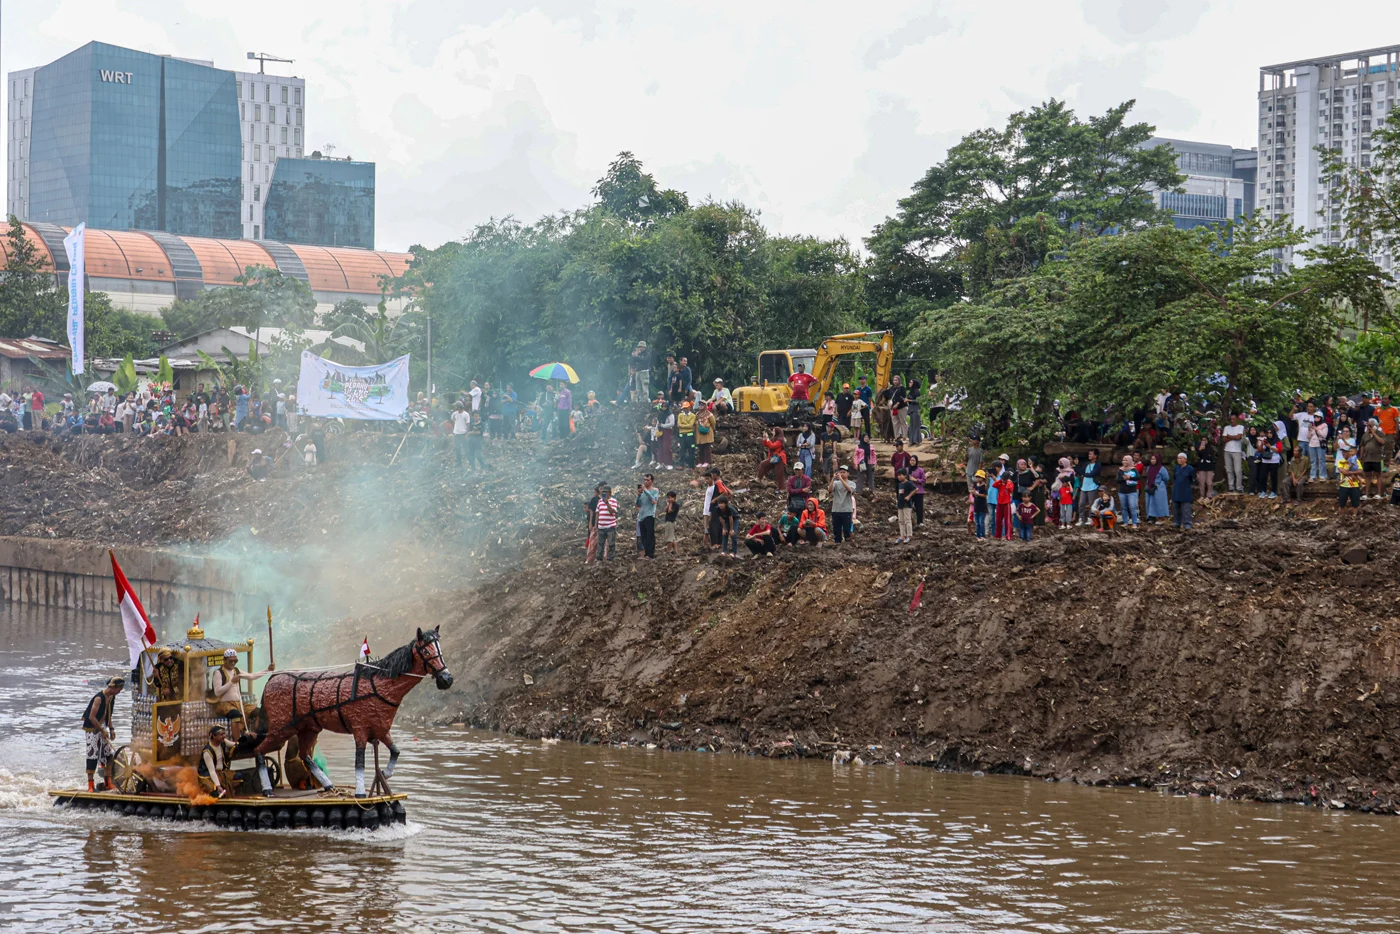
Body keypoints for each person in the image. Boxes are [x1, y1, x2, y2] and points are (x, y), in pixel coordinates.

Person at [82, 676, 124, 791]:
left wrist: (111, 729)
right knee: (92, 755)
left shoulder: (112, 697)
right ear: (112, 687)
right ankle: (90, 785)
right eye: (118, 689)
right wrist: (101, 730)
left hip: (103, 728)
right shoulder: (98, 698)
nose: (119, 692)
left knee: (107, 755)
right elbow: (91, 717)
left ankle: (107, 782)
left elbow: (108, 715)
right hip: (92, 729)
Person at [210, 648, 273, 716]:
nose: (233, 663)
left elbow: (251, 676)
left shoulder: (236, 670)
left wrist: (267, 670)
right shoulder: (218, 673)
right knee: (236, 714)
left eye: (235, 661)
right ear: (224, 660)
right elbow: (217, 692)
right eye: (230, 661)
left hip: (239, 704)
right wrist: (231, 682)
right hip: (225, 705)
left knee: (258, 712)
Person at [198, 724, 237, 798]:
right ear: (214, 736)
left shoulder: (223, 742)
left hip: (221, 774)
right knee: (215, 793)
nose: (224, 736)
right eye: (221, 735)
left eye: (224, 734)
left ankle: (232, 792)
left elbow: (234, 745)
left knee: (239, 777)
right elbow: (212, 771)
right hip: (208, 778)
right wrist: (218, 786)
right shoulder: (207, 752)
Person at [829, 465, 856, 544]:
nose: (842, 474)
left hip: (846, 509)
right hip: (836, 509)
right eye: (840, 472)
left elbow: (850, 490)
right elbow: (829, 490)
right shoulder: (836, 483)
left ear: (848, 473)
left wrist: (841, 479)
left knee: (847, 529)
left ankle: (847, 544)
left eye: (844, 472)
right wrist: (833, 479)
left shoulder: (852, 483)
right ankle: (837, 544)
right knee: (836, 530)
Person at [1359, 422, 1386, 500]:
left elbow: (1382, 442)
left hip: (1377, 458)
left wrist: (1374, 434)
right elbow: (1362, 446)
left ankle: (1379, 493)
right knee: (1367, 475)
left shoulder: (1380, 433)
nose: (1368, 427)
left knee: (1378, 475)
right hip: (1367, 458)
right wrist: (1361, 456)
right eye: (1367, 426)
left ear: (1375, 426)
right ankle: (1366, 494)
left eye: (1370, 426)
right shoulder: (1365, 435)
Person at [636, 474, 659, 559]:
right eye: (645, 480)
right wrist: (638, 495)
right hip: (641, 516)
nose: (646, 481)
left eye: (648, 480)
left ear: (652, 481)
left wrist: (645, 490)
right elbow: (637, 504)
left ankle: (650, 554)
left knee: (650, 535)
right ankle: (645, 553)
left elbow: (654, 501)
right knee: (643, 536)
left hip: (649, 515)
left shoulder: (655, 490)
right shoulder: (642, 492)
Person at [1222, 414, 1246, 493]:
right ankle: (1231, 486)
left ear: (1237, 419)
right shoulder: (1227, 427)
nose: (1232, 420)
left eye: (1233, 419)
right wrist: (1234, 437)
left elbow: (1239, 437)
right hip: (1227, 450)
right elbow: (1224, 439)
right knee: (1229, 470)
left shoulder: (1240, 427)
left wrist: (1229, 436)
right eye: (1231, 419)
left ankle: (1239, 487)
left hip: (1237, 450)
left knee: (1238, 470)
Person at [594, 485, 620, 561]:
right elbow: (597, 513)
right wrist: (596, 525)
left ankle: (610, 559)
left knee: (611, 543)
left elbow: (612, 512)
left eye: (605, 492)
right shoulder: (599, 501)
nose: (603, 494)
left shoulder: (613, 501)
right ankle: (599, 559)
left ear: (610, 493)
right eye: (603, 492)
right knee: (600, 544)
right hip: (601, 526)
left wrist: (607, 503)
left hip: (610, 526)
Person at [1171, 452, 1195, 530]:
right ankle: (1177, 522)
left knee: (1186, 509)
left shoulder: (1190, 469)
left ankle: (1187, 523)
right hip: (1176, 490)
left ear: (1185, 459)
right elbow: (1174, 478)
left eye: (1181, 458)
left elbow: (1192, 480)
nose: (1179, 460)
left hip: (1186, 491)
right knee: (1176, 507)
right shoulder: (1176, 468)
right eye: (1178, 458)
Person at [1336, 448, 1363, 516]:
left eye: (1345, 452)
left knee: (1355, 504)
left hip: (1354, 486)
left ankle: (1354, 517)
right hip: (1343, 486)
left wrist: (1349, 472)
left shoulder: (1356, 461)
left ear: (1349, 453)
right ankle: (1341, 518)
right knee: (1342, 504)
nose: (1343, 453)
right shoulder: (1341, 461)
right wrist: (1353, 473)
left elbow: (1360, 471)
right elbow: (1343, 472)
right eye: (1342, 452)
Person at [1144, 453, 1170, 524]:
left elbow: (1166, 478)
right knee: (1150, 502)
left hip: (1159, 487)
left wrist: (1158, 483)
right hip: (1150, 486)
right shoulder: (1149, 468)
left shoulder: (1162, 469)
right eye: (1152, 459)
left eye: (1154, 459)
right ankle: (1151, 517)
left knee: (1159, 502)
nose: (1152, 461)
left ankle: (1160, 517)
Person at [1078, 450, 1101, 525]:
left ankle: (1091, 518)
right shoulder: (1086, 464)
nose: (1089, 455)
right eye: (1089, 454)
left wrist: (1085, 474)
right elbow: (1081, 471)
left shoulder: (1098, 464)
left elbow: (1094, 473)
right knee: (1081, 503)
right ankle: (1082, 519)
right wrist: (1086, 474)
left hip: (1092, 486)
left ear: (1095, 456)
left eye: (1091, 454)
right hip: (1084, 486)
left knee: (1092, 503)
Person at [1118, 455, 1141, 528]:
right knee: (1123, 507)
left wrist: (1130, 477)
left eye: (1126, 460)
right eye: (1123, 460)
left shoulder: (1134, 469)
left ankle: (1134, 523)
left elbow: (1138, 477)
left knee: (1132, 507)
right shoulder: (1120, 470)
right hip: (1122, 491)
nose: (1124, 462)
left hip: (1132, 491)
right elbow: (1118, 480)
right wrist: (1124, 479)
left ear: (1130, 461)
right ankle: (1125, 522)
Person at [895, 469, 916, 544]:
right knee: (901, 521)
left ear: (905, 475)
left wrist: (909, 496)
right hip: (900, 504)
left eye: (901, 475)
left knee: (907, 520)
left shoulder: (908, 483)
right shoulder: (900, 484)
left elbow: (915, 489)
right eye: (898, 475)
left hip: (907, 504)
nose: (899, 477)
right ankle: (902, 535)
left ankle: (909, 535)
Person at [676, 402, 697, 468]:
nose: (685, 409)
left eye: (686, 408)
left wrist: (682, 425)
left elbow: (690, 425)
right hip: (682, 436)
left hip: (690, 436)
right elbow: (678, 425)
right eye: (684, 408)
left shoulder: (693, 416)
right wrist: (685, 425)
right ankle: (681, 465)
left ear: (689, 408)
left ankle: (691, 466)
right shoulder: (680, 415)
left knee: (691, 450)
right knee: (682, 450)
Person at [660, 491, 681, 557]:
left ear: (674, 497)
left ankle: (668, 551)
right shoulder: (669, 504)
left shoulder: (676, 505)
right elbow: (665, 510)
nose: (668, 499)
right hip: (668, 522)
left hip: (671, 522)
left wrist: (671, 503)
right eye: (668, 498)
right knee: (672, 538)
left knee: (669, 538)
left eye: (670, 498)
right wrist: (668, 503)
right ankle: (676, 551)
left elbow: (669, 510)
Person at [908, 455, 926, 527]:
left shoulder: (920, 470)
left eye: (913, 460)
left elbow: (924, 480)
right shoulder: (907, 470)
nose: (912, 462)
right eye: (911, 460)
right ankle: (909, 522)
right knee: (908, 507)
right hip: (910, 492)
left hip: (919, 492)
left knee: (919, 507)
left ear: (916, 461)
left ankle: (920, 521)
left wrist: (915, 480)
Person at [971, 470, 989, 539]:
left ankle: (982, 535)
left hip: (982, 506)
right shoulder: (975, 485)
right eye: (977, 477)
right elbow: (973, 494)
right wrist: (973, 493)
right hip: (976, 506)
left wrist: (976, 494)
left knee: (981, 522)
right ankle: (978, 535)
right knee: (977, 522)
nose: (978, 479)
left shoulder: (984, 486)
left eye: (979, 477)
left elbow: (984, 495)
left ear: (983, 478)